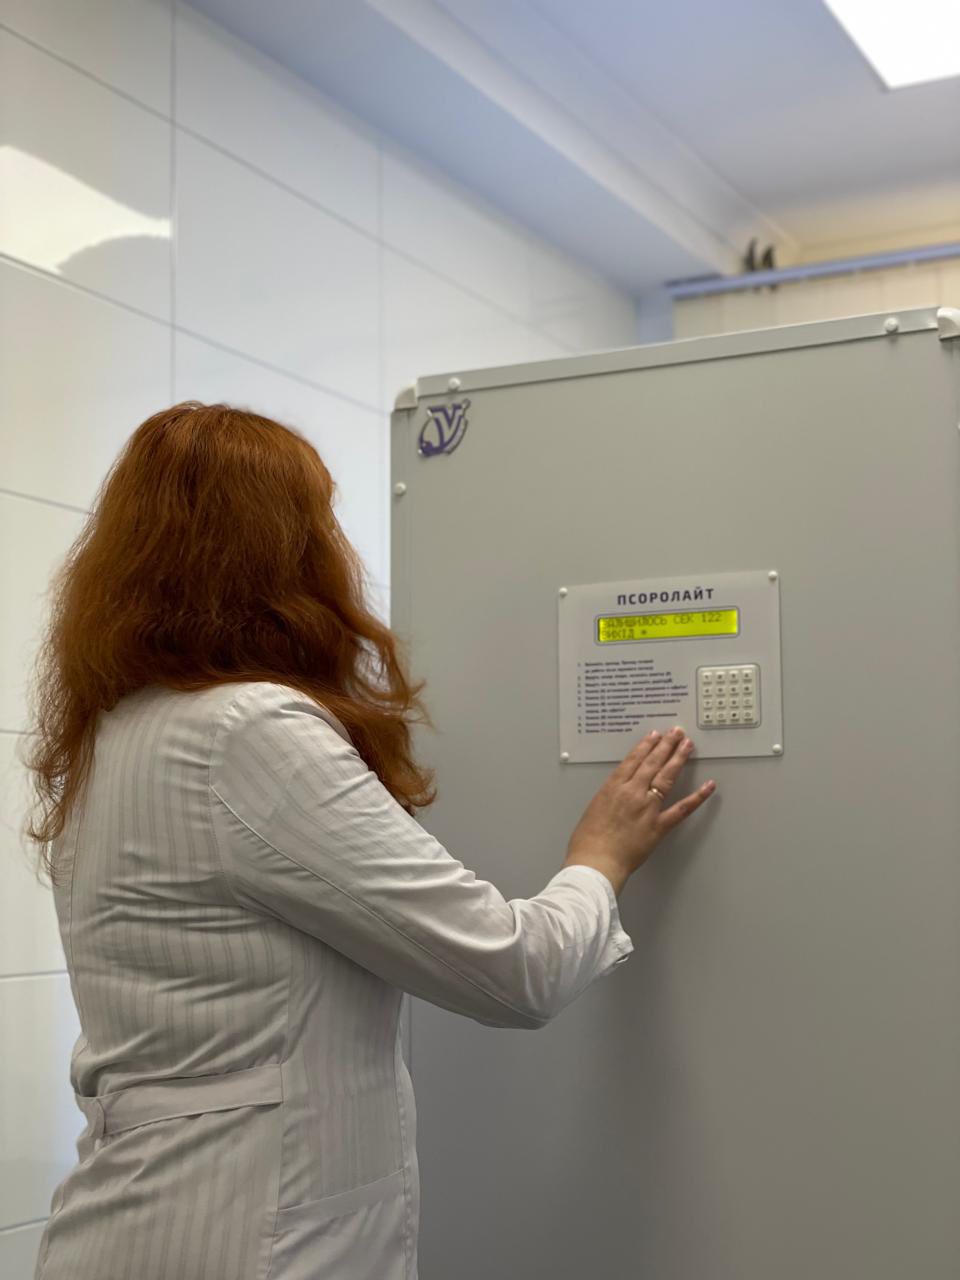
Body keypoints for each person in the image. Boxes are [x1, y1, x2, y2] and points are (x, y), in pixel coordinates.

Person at [26, 403, 716, 1280]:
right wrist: (600, 857)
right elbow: (515, 971)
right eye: (321, 521)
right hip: (241, 1239)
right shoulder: (249, 733)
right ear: (284, 552)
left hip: (127, 1226)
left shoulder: (116, 731)